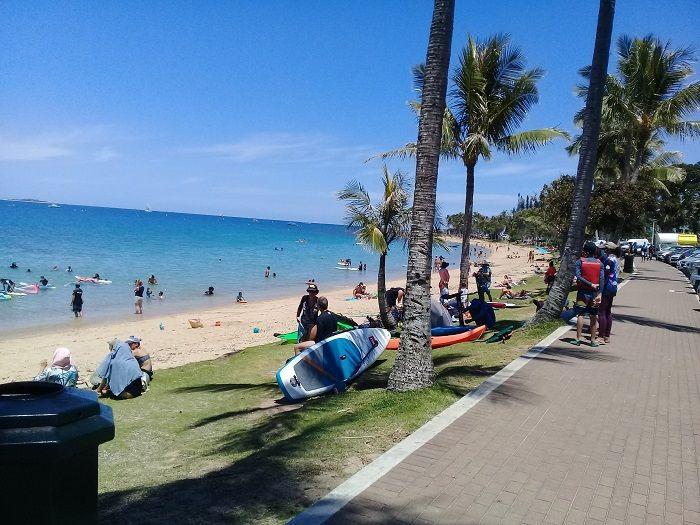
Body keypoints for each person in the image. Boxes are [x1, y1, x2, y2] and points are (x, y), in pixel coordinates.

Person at [571, 241, 604, 347]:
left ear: (584, 251)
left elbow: (578, 276)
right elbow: (602, 279)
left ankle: (578, 338)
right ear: (595, 251)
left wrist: (589, 284)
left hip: (583, 292)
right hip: (594, 294)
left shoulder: (580, 262)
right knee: (593, 316)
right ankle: (593, 340)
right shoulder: (600, 263)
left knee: (580, 314)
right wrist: (600, 293)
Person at [597, 243, 620, 344]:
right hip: (613, 287)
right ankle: (607, 336)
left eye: (605, 249)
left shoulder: (609, 260)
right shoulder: (616, 260)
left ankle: (601, 336)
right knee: (608, 311)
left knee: (602, 312)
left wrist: (600, 291)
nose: (604, 251)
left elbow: (605, 277)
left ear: (609, 250)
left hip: (607, 287)